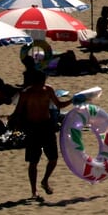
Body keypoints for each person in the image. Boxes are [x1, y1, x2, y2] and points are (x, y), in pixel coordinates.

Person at [14, 69, 71, 199]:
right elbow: (18, 111)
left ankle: (45, 180)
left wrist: (73, 100)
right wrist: (16, 124)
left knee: (53, 159)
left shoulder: (48, 90)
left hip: (47, 126)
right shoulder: (26, 93)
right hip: (33, 128)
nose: (42, 84)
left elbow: (59, 105)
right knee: (33, 162)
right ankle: (34, 191)